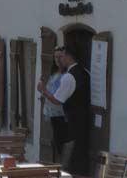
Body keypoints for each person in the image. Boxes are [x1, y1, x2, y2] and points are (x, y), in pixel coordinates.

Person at [37, 45, 90, 176]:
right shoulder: (85, 72)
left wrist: (43, 91)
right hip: (84, 119)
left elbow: (57, 100)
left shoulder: (69, 77)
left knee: (69, 155)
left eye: (62, 56)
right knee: (79, 153)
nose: (60, 59)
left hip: (70, 121)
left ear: (68, 56)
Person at [40, 47, 68, 160]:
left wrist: (44, 91)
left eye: (60, 56)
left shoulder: (67, 75)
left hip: (61, 115)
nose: (57, 60)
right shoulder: (54, 73)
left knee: (62, 145)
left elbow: (58, 97)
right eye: (55, 57)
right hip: (52, 114)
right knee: (56, 143)